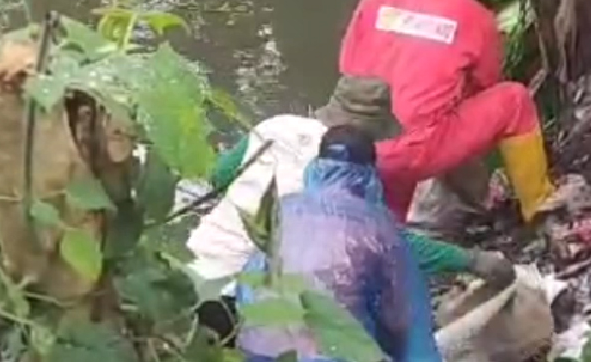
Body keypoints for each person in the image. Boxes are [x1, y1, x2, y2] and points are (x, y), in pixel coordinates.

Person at [188, 76, 515, 345]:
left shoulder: (277, 126)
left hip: (192, 270)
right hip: (241, 298)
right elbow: (390, 243)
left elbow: (219, 176)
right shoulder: (341, 173)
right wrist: (473, 261)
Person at [338, 0, 555, 222]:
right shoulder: (475, 17)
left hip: (358, 139)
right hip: (414, 149)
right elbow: (487, 82)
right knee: (514, 101)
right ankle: (539, 205)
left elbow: (347, 63)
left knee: (389, 225)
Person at [237, 124, 442, 362]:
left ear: (316, 164)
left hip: (261, 352)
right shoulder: (379, 227)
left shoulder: (283, 208)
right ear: (370, 173)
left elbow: (248, 286)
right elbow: (410, 324)